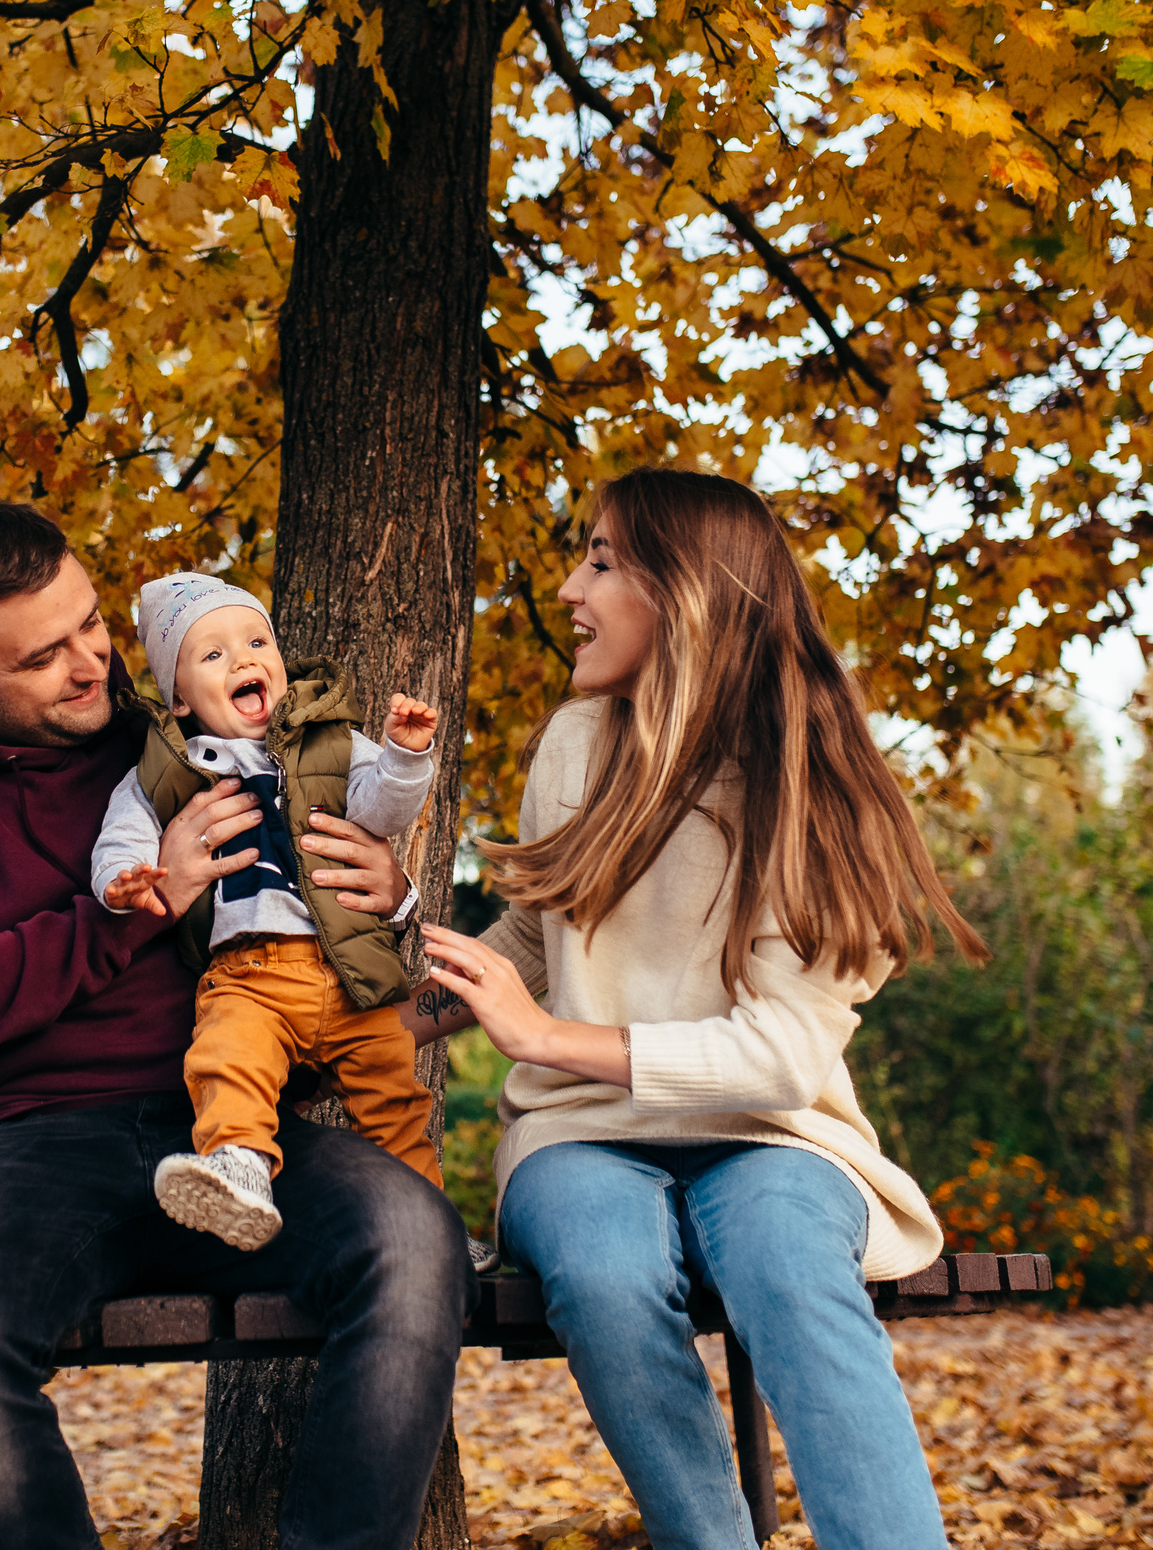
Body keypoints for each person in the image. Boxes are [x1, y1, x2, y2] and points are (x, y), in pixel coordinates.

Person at [0, 502, 475, 1550]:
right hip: (24, 1152)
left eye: (89, 623)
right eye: (43, 655)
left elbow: (312, 910)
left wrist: (393, 896)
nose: (90, 662)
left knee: (417, 1238)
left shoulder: (191, 744)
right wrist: (133, 905)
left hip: (230, 1134)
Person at [405, 468, 988, 1550]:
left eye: (601, 560)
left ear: (687, 592)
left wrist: (542, 1037)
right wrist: (383, 1011)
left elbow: (776, 1056)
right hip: (577, 1135)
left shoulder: (807, 784)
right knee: (605, 1271)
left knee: (783, 1259)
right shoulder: (577, 741)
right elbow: (539, 935)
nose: (570, 587)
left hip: (774, 1133)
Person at [90, 572, 444, 1250]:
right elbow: (123, 831)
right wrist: (122, 880)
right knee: (227, 1057)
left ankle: (432, 1223)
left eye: (257, 641)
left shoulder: (333, 744)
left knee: (396, 1099)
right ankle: (240, 1167)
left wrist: (404, 753)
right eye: (214, 653)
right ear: (181, 699)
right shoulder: (168, 770)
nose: (245, 658)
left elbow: (380, 808)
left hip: (347, 976)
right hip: (248, 971)